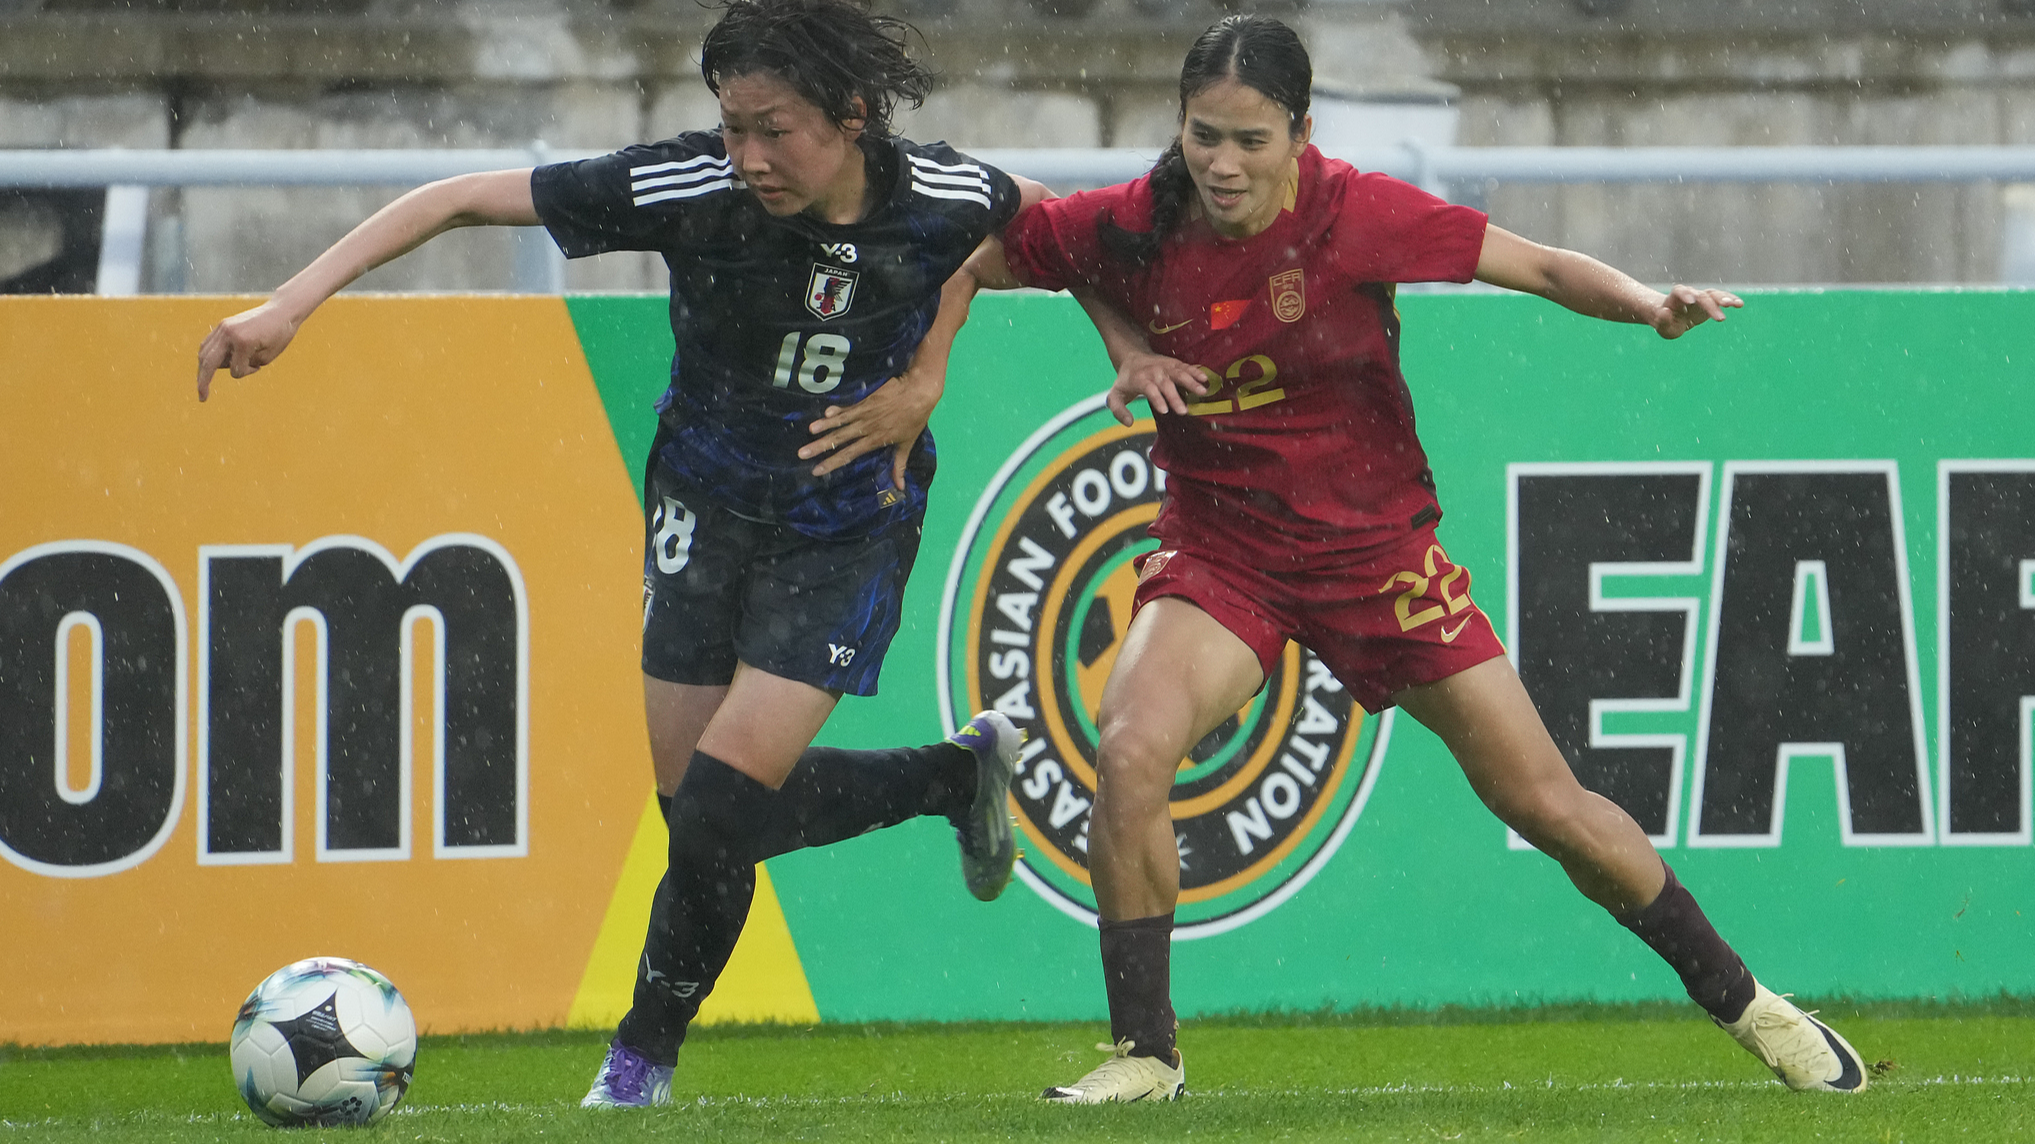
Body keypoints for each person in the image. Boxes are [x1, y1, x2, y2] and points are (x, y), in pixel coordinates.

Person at [960, 14, 1868, 1103]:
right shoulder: (1139, 220)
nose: (1223, 162)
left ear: (1300, 133)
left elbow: (1529, 262)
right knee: (1130, 747)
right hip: (1223, 552)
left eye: (1251, 139)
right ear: (1179, 128)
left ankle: (1748, 1001)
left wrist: (1643, 303)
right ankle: (1146, 1053)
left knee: (1546, 806)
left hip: (1376, 559)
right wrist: (1123, 343)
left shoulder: (1356, 213)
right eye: (1205, 135)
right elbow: (1009, 246)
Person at [195, 0, 1051, 1109]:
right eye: (732, 126)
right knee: (704, 815)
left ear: (851, 116)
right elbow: (459, 198)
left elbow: (1049, 235)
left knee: (717, 811)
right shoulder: (692, 186)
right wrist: (291, 303)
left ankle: (635, 1068)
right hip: (700, 505)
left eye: (772, 128)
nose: (747, 156)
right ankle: (951, 774)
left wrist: (930, 369)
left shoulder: (940, 192)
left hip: (846, 517)